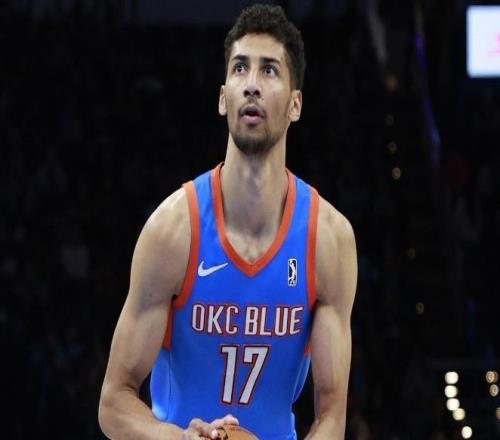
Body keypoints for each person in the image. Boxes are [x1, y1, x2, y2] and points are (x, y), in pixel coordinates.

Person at [98, 4, 357, 439]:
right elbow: (113, 402)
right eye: (240, 68)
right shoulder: (172, 232)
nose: (251, 84)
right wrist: (180, 438)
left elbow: (331, 415)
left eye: (269, 70)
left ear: (295, 105)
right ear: (223, 98)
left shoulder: (328, 240)